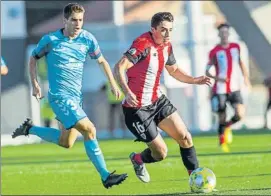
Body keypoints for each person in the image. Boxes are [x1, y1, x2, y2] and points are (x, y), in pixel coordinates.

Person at [11, 3, 127, 188]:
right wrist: (35, 84)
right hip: (59, 98)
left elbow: (102, 61)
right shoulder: (50, 40)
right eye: (74, 20)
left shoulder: (87, 39)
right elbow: (33, 58)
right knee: (90, 130)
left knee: (66, 142)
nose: (78, 23)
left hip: (76, 99)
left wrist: (113, 84)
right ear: (65, 20)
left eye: (81, 20)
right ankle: (106, 176)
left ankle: (29, 129)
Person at [114, 12, 211, 183]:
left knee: (185, 137)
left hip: (157, 101)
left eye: (170, 30)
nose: (167, 34)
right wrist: (127, 92)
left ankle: (196, 179)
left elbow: (173, 70)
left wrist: (195, 80)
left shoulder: (167, 46)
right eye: (163, 30)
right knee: (160, 154)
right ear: (153, 29)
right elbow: (119, 67)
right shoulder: (142, 44)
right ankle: (138, 159)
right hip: (137, 109)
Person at [205, 23, 251, 152]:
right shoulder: (214, 51)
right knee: (222, 116)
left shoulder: (236, 47)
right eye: (222, 32)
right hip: (220, 89)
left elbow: (241, 63)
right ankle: (222, 142)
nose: (224, 34)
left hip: (235, 87)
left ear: (229, 33)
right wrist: (218, 79)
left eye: (226, 32)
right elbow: (207, 71)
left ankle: (227, 127)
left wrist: (246, 78)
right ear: (219, 34)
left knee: (240, 114)